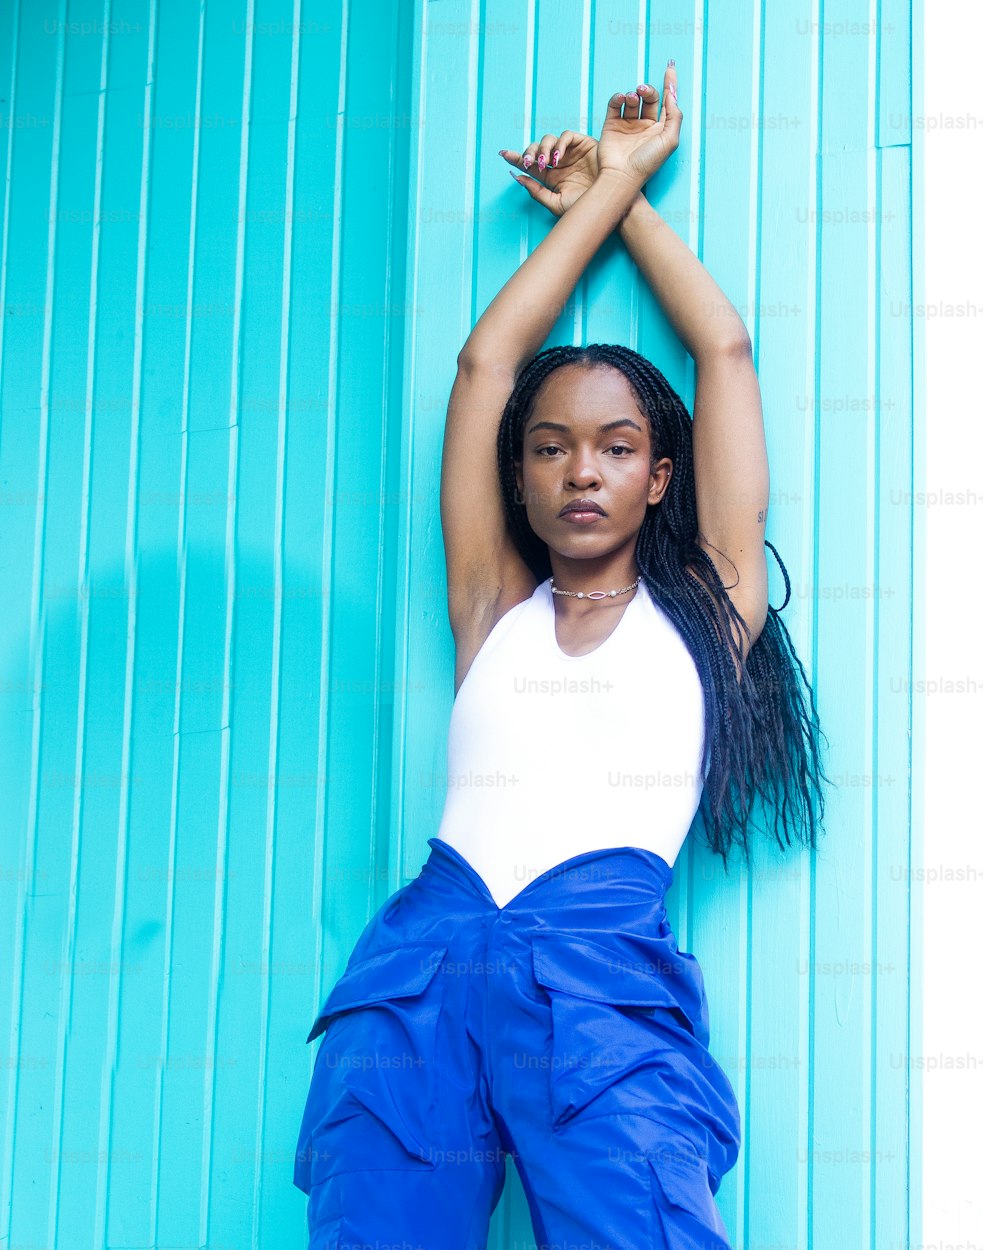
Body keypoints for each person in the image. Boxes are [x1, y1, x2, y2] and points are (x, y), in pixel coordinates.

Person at [294, 64, 829, 1249]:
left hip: (597, 979)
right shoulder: (494, 606)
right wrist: (597, 192)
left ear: (659, 474)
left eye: (615, 445)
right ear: (521, 475)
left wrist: (623, 188)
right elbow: (486, 364)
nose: (580, 468)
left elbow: (724, 350)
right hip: (421, 967)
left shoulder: (709, 608)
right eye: (550, 447)